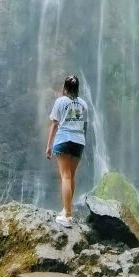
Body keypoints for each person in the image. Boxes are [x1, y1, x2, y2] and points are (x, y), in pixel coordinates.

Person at [46, 74, 88, 227]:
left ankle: (68, 216)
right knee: (72, 176)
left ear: (64, 88)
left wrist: (49, 146)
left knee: (65, 176)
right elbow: (85, 126)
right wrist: (82, 142)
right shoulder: (83, 104)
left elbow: (54, 125)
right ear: (77, 88)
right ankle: (66, 209)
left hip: (63, 140)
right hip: (79, 142)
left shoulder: (60, 101)